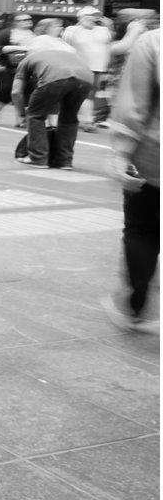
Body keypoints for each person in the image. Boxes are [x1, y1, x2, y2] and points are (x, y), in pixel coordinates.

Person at [104, 27, 159, 332]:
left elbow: (133, 106)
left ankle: (136, 308)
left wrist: (121, 154)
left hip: (154, 160)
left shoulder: (153, 41)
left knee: (142, 231)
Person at [12, 30, 92, 170]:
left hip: (56, 77)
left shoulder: (27, 60)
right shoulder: (65, 54)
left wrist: (21, 114)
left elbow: (16, 92)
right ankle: (64, 161)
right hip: (86, 78)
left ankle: (38, 158)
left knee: (35, 116)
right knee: (69, 119)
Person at [63, 6, 114, 130]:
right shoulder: (72, 30)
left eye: (95, 16)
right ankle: (86, 121)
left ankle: (85, 120)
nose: (93, 18)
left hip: (98, 67)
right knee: (82, 93)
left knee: (91, 94)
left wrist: (108, 24)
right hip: (79, 66)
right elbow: (66, 44)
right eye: (90, 15)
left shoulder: (103, 30)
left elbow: (108, 43)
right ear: (82, 17)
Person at [0, 13, 35, 125]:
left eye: (29, 19)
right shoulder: (7, 33)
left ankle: (21, 119)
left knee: (27, 94)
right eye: (24, 20)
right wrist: (21, 48)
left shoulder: (34, 35)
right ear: (17, 22)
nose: (27, 21)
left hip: (29, 68)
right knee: (6, 92)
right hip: (11, 68)